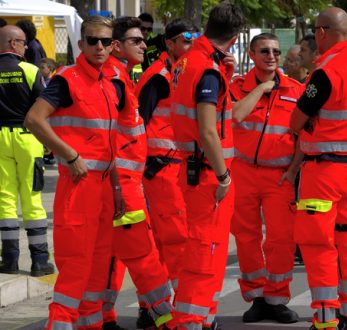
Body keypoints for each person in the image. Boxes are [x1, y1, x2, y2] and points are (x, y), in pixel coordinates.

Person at [25, 16, 122, 329]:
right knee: (76, 268)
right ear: (80, 44)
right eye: (92, 40)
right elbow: (34, 119)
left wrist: (118, 189)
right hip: (79, 187)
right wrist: (69, 155)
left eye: (105, 42)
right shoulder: (68, 79)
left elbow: (111, 145)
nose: (99, 47)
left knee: (97, 268)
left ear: (112, 46)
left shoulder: (108, 84)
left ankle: (89, 324)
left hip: (104, 188)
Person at [167, 3, 244, 329]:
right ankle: (191, 321)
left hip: (194, 168)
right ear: (236, 36)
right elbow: (208, 129)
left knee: (203, 252)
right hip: (209, 173)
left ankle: (202, 318)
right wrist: (224, 176)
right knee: (204, 253)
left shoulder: (187, 62)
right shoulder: (207, 69)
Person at [290, 7, 347, 330]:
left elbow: (296, 120)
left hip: (323, 173)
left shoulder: (326, 71)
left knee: (318, 246)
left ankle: (325, 318)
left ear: (322, 33)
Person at [101, 16, 173, 330]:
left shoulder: (122, 77)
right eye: (136, 40)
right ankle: (166, 315)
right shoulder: (114, 81)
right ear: (116, 46)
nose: (145, 44)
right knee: (142, 252)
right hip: (120, 184)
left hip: (121, 182)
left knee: (109, 255)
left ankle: (101, 317)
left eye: (144, 38)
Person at [229, 33, 304, 324]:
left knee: (281, 238)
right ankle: (257, 297)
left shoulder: (296, 90)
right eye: (264, 51)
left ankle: (277, 298)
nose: (271, 56)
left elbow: (303, 136)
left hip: (280, 176)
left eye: (275, 51)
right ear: (251, 53)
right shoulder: (237, 87)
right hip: (243, 171)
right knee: (246, 238)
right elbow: (235, 116)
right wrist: (261, 88)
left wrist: (293, 170)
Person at [134, 17, 195, 325]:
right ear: (169, 44)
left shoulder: (178, 74)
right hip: (160, 167)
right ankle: (179, 310)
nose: (192, 46)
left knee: (163, 240)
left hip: (172, 167)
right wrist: (144, 164)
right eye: (186, 41)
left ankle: (152, 309)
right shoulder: (159, 76)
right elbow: (138, 124)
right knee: (175, 240)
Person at [0, 25, 54, 277]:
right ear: (13, 44)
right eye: (22, 42)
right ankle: (39, 261)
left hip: (0, 138)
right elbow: (43, 105)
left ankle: (9, 259)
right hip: (27, 137)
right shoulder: (31, 71)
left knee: (5, 199)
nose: (25, 47)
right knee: (32, 199)